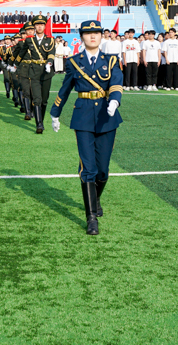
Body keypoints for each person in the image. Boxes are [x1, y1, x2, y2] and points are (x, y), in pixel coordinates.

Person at [49, 20, 124, 236]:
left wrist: (115, 100)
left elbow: (116, 82)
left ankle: (95, 198)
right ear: (82, 36)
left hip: (107, 117)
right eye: (88, 33)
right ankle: (91, 218)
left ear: (102, 36)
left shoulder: (111, 60)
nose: (93, 36)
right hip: (82, 117)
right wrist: (55, 112)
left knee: (103, 170)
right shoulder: (74, 61)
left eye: (96, 33)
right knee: (88, 168)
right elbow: (65, 89)